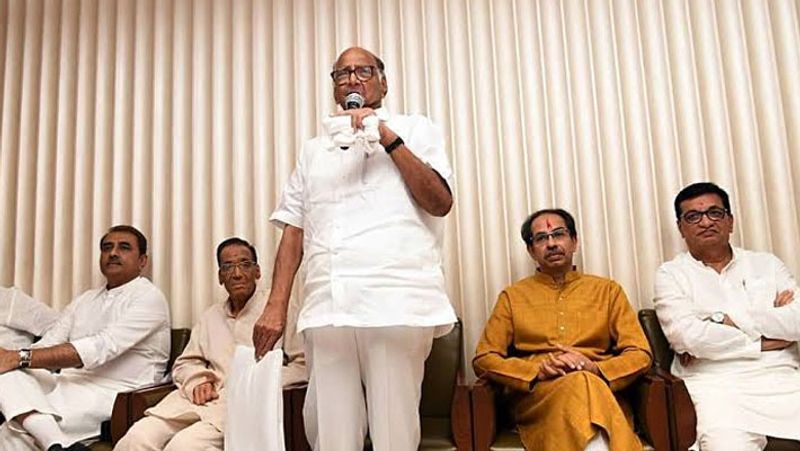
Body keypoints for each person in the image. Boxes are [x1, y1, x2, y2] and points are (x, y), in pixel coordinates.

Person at [252, 46, 457, 450]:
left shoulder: (416, 128)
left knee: (394, 432)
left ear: (383, 81)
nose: (351, 79)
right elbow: (293, 229)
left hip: (396, 303)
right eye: (342, 73)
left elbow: (440, 202)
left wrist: (387, 138)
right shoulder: (314, 150)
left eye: (363, 71)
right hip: (328, 306)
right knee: (329, 431)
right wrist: (275, 306)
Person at [473, 208, 652, 451]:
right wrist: (536, 371)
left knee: (583, 381)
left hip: (599, 389)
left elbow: (640, 353)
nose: (551, 244)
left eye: (558, 234)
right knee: (581, 383)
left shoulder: (608, 291)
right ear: (531, 250)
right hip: (539, 399)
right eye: (541, 238)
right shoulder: (512, 297)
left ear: (574, 241)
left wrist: (595, 368)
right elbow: (484, 358)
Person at [115, 237, 306, 451]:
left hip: (241, 405)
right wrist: (198, 381)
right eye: (228, 267)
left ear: (257, 272)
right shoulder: (210, 316)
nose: (237, 273)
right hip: (194, 402)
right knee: (136, 438)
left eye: (245, 264)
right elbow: (185, 363)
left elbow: (303, 366)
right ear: (220, 277)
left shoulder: (278, 309)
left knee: (183, 446)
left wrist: (256, 382)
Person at [654, 182, 800, 450]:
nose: (705, 222)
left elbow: (796, 321)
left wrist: (723, 319)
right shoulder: (671, 274)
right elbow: (688, 338)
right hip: (716, 386)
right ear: (681, 228)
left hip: (782, 377)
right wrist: (764, 341)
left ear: (730, 221)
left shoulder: (766, 264)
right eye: (693, 216)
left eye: (715, 213)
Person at [0, 225, 170, 451]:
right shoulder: (85, 300)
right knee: (7, 373)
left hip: (117, 393)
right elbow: (49, 342)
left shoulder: (149, 297)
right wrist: (13, 359)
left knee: (13, 433)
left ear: (142, 261)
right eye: (107, 247)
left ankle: (51, 439)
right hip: (67, 382)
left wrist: (19, 357)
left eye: (124, 247)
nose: (113, 253)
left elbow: (100, 348)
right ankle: (58, 443)